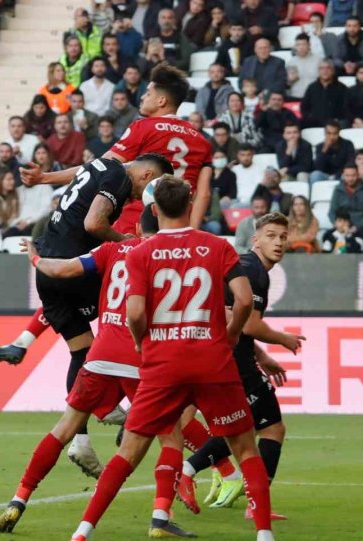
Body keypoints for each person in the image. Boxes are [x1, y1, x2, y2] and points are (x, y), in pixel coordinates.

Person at [68, 177, 275, 541]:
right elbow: (243, 301)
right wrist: (228, 338)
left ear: (153, 209)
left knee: (129, 452)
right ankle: (264, 535)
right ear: (191, 201)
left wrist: (140, 343)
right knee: (244, 448)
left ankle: (83, 531)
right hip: (213, 361)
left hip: (163, 364)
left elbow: (134, 313)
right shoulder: (217, 246)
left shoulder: (139, 252)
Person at [0, 154, 170, 478]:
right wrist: (124, 239)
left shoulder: (103, 164)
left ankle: (81, 440)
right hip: (70, 269)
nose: (140, 200)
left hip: (49, 273)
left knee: (83, 352)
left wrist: (45, 179)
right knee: (126, 302)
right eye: (147, 191)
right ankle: (112, 407)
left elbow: (78, 173)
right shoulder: (120, 178)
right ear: (147, 175)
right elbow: (94, 224)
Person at [179, 212, 300, 519]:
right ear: (255, 239)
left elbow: (234, 319)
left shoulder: (249, 267)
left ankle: (252, 502)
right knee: (257, 427)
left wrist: (261, 355)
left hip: (226, 355)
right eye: (271, 236)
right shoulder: (252, 270)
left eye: (283, 237)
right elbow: (249, 325)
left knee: (255, 426)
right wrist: (282, 339)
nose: (279, 242)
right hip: (230, 361)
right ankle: (189, 471)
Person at [21, 65, 214, 233]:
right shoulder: (201, 140)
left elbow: (97, 169)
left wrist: (45, 177)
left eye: (148, 93)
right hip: (180, 225)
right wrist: (192, 231)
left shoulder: (143, 127)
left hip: (138, 224)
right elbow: (203, 194)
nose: (143, 97)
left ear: (161, 101)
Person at [328, 164, 363, 239]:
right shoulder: (338, 190)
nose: (350, 178)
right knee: (327, 236)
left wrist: (356, 227)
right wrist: (338, 225)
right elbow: (332, 212)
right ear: (343, 176)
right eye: (347, 176)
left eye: (353, 175)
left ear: (358, 175)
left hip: (362, 228)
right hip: (342, 225)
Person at [300, 60, 347, 129]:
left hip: (335, 124)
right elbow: (304, 107)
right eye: (322, 68)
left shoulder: (342, 88)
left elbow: (346, 108)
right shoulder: (312, 87)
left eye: (328, 68)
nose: (325, 71)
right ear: (318, 71)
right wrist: (310, 117)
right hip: (314, 123)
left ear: (333, 71)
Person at [286, 33, 320, 100]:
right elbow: (287, 84)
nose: (301, 47)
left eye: (304, 44)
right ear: (295, 46)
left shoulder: (319, 61)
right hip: (295, 97)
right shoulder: (291, 62)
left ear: (309, 45)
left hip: (314, 97)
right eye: (298, 45)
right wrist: (290, 80)